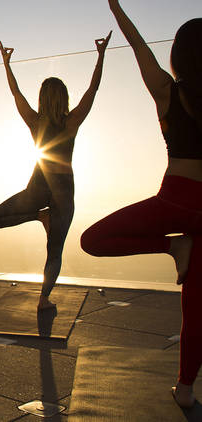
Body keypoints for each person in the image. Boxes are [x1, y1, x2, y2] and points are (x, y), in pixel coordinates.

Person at [81, 1, 202, 408]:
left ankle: (174, 247)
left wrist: (115, 5)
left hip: (176, 201)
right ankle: (184, 389)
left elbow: (137, 45)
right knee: (196, 306)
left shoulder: (168, 92)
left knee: (93, 239)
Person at [0, 33, 110, 311]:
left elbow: (16, 94)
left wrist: (7, 64)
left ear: (42, 98)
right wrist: (100, 57)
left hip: (37, 189)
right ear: (64, 98)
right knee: (54, 251)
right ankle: (44, 299)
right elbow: (93, 91)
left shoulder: (35, 121)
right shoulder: (72, 123)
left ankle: (37, 216)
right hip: (64, 194)